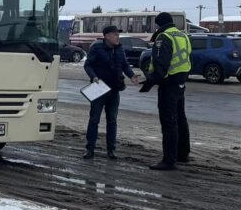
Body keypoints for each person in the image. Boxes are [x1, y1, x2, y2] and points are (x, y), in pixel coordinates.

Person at [82, 25, 140, 159]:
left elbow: (124, 64)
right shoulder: (97, 48)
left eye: (118, 35)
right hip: (99, 89)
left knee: (112, 120)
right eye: (115, 34)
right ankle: (90, 148)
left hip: (114, 90)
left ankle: (111, 149)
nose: (117, 37)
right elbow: (88, 64)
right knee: (94, 120)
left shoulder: (119, 49)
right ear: (107, 36)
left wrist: (131, 75)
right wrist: (94, 76)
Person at [145, 12, 192, 171]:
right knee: (180, 118)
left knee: (168, 122)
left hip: (168, 83)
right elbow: (187, 57)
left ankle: (169, 160)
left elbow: (160, 64)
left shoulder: (164, 37)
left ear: (158, 24)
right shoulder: (182, 36)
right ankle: (182, 154)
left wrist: (150, 81)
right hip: (181, 81)